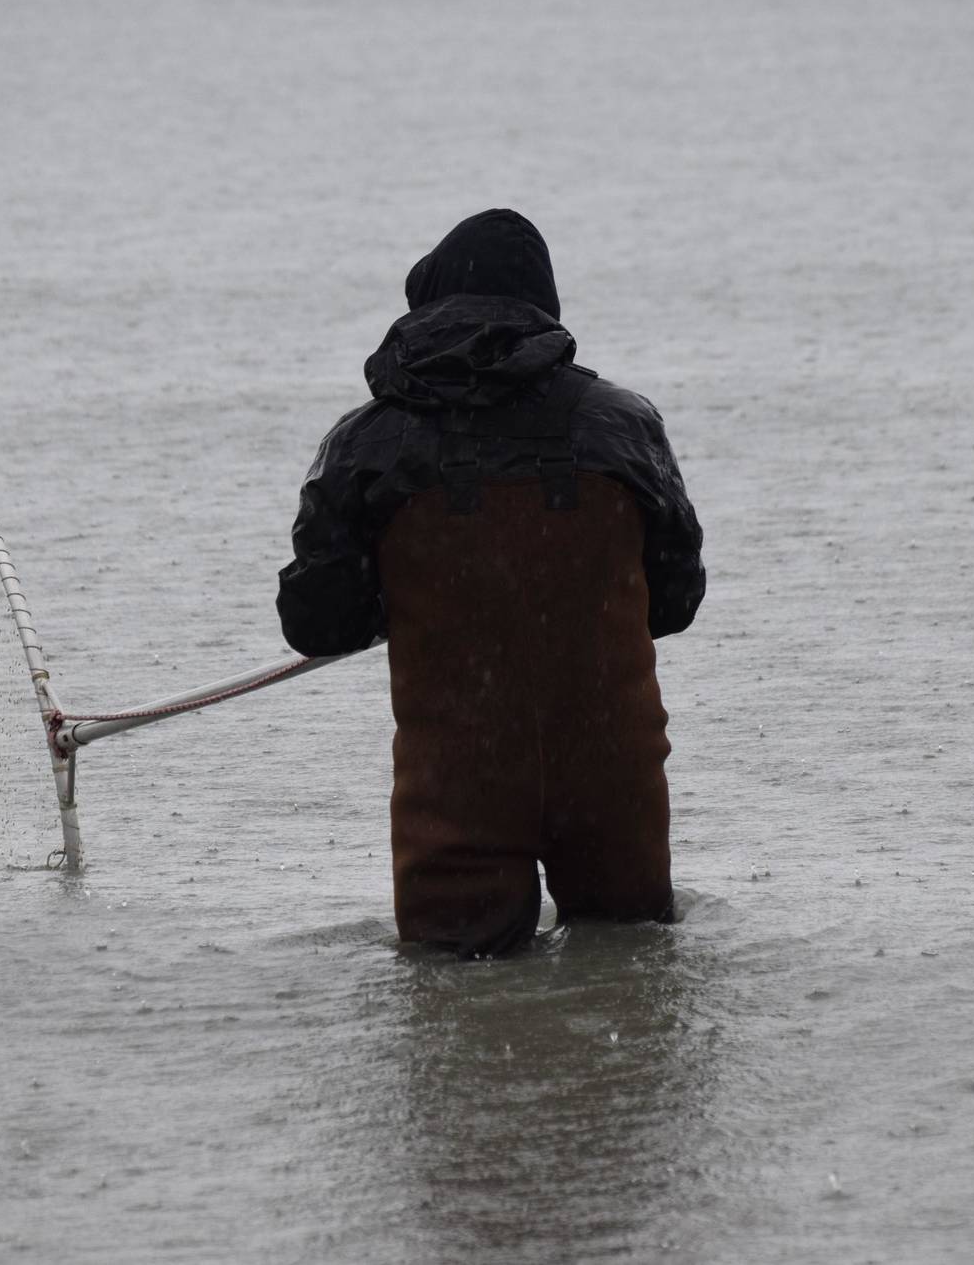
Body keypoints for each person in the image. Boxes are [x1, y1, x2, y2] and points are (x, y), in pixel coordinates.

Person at [277, 209, 705, 957]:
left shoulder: (368, 444)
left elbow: (317, 623)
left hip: (455, 790)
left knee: (459, 999)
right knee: (631, 977)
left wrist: (413, 594)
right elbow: (674, 601)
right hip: (613, 777)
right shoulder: (624, 423)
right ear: (543, 310)